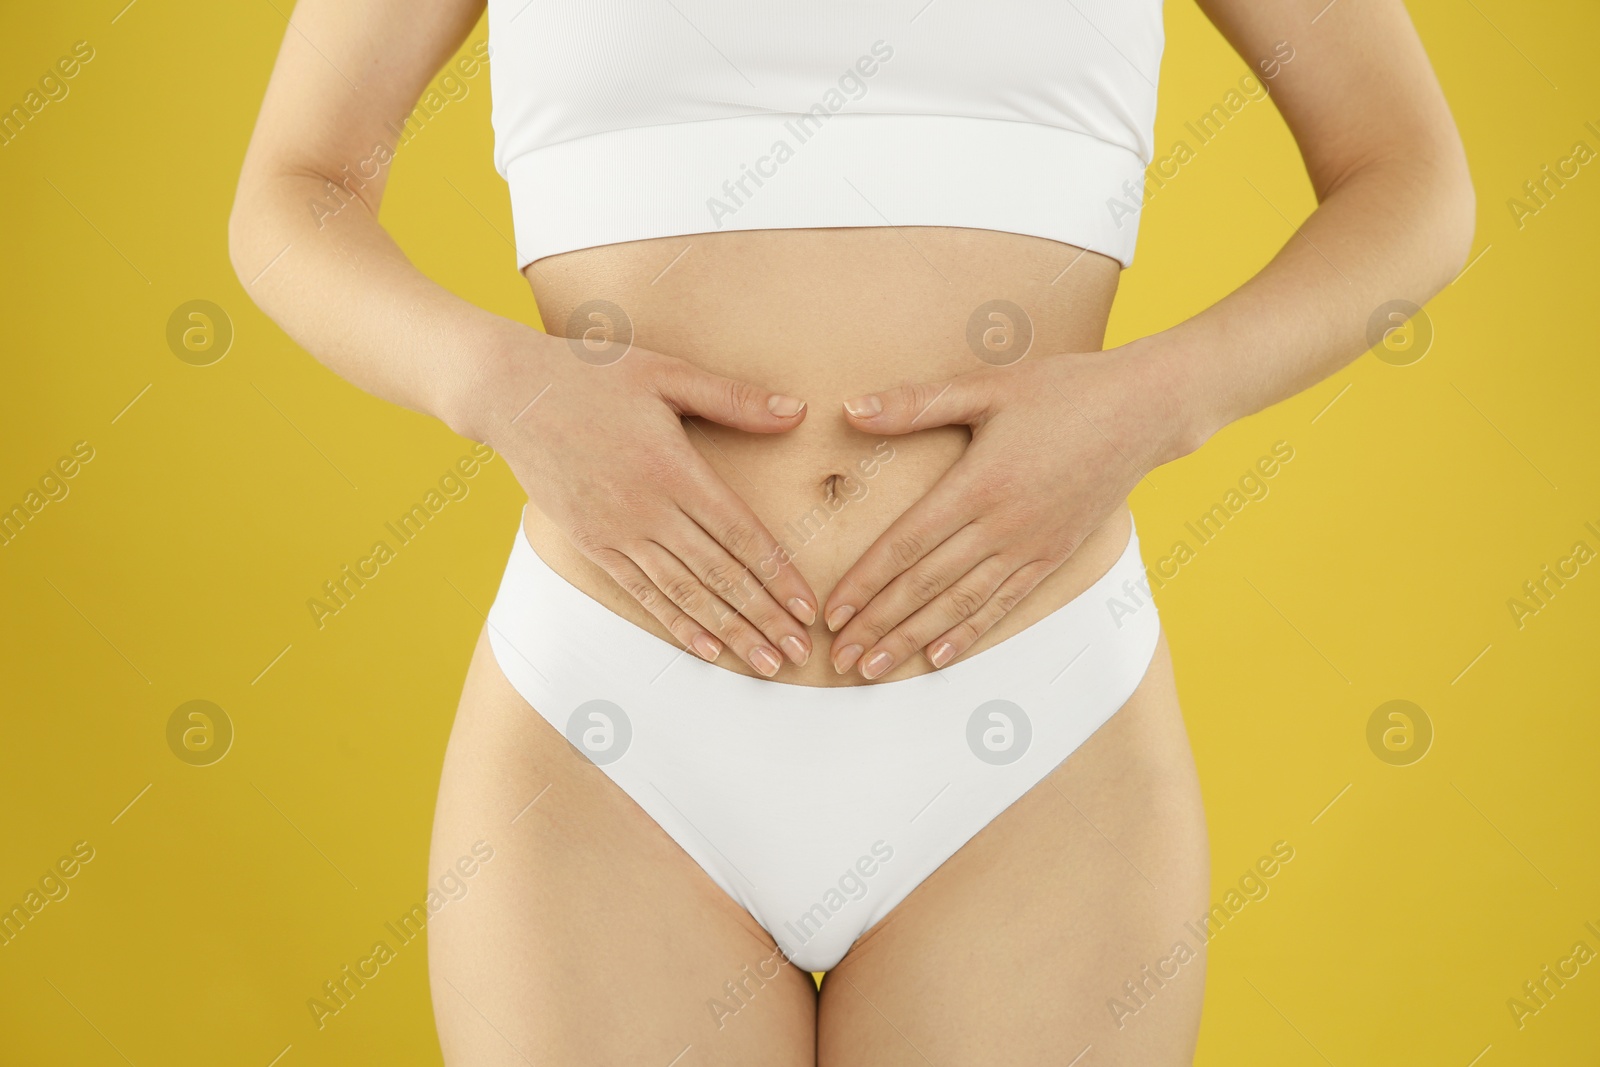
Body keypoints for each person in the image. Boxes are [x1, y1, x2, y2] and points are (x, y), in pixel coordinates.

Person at [229, 0, 1473, 1062]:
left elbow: (1409, 176)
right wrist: (504, 388)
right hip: (610, 724)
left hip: (1032, 728)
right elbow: (293, 192)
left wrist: (1159, 403)